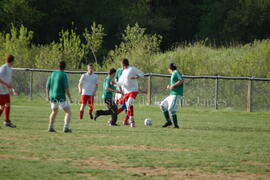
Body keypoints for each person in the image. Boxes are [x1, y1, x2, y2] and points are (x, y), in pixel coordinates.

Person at [46, 61, 73, 133]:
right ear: (65, 67)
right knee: (68, 112)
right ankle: (66, 128)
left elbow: (47, 86)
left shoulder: (53, 73)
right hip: (60, 96)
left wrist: (48, 96)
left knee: (54, 111)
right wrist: (70, 98)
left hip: (52, 96)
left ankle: (50, 127)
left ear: (58, 66)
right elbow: (66, 88)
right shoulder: (63, 75)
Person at [117, 58, 144, 127]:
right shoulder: (123, 72)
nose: (121, 66)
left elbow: (142, 73)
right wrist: (115, 83)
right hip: (126, 92)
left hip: (133, 90)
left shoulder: (132, 69)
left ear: (123, 64)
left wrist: (136, 77)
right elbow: (120, 82)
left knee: (130, 102)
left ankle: (130, 119)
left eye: (121, 64)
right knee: (128, 105)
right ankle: (132, 120)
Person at [160, 63, 184, 128]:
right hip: (172, 94)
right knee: (162, 105)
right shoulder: (174, 74)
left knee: (171, 109)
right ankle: (169, 122)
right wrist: (170, 87)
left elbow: (181, 80)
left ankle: (176, 125)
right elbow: (175, 84)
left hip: (176, 94)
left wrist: (172, 85)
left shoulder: (176, 72)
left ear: (169, 69)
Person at [0, 55, 17, 128]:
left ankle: (7, 121)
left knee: (8, 104)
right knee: (2, 107)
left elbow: (8, 80)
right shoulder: (4, 67)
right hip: (0, 90)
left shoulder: (10, 68)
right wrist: (5, 84)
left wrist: (13, 88)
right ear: (12, 61)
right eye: (14, 60)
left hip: (5, 90)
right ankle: (6, 121)